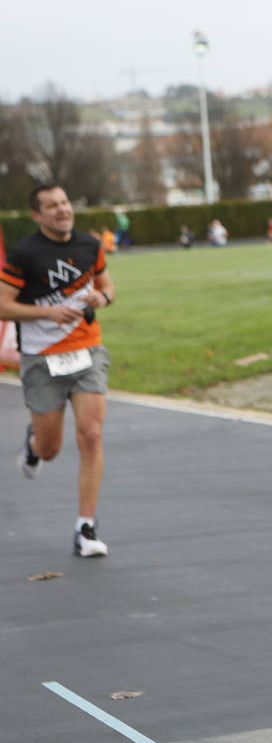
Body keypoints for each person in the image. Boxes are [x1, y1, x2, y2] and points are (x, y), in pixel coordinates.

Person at [0, 185, 117, 557]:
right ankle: (35, 444)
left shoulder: (90, 246)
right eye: (52, 206)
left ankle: (86, 527)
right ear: (37, 215)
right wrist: (46, 312)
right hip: (42, 358)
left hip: (87, 351)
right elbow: (3, 306)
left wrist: (103, 297)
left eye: (65, 202)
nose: (62, 210)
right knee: (51, 448)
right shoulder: (24, 255)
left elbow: (108, 285)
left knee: (92, 434)